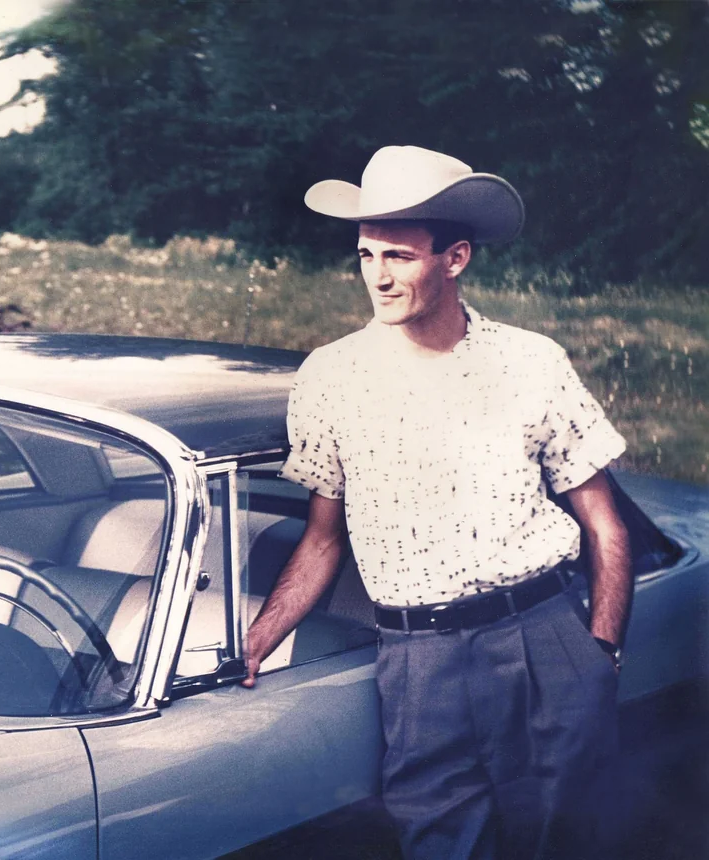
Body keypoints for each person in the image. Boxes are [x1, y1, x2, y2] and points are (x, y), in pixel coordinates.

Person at [242, 145, 632, 860]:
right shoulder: (329, 378)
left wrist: (599, 652)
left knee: (572, 843)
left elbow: (603, 519)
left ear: (454, 259)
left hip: (544, 637)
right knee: (442, 844)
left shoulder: (530, 360)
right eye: (366, 255)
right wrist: (263, 633)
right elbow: (324, 538)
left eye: (399, 256)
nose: (379, 277)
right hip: (419, 663)